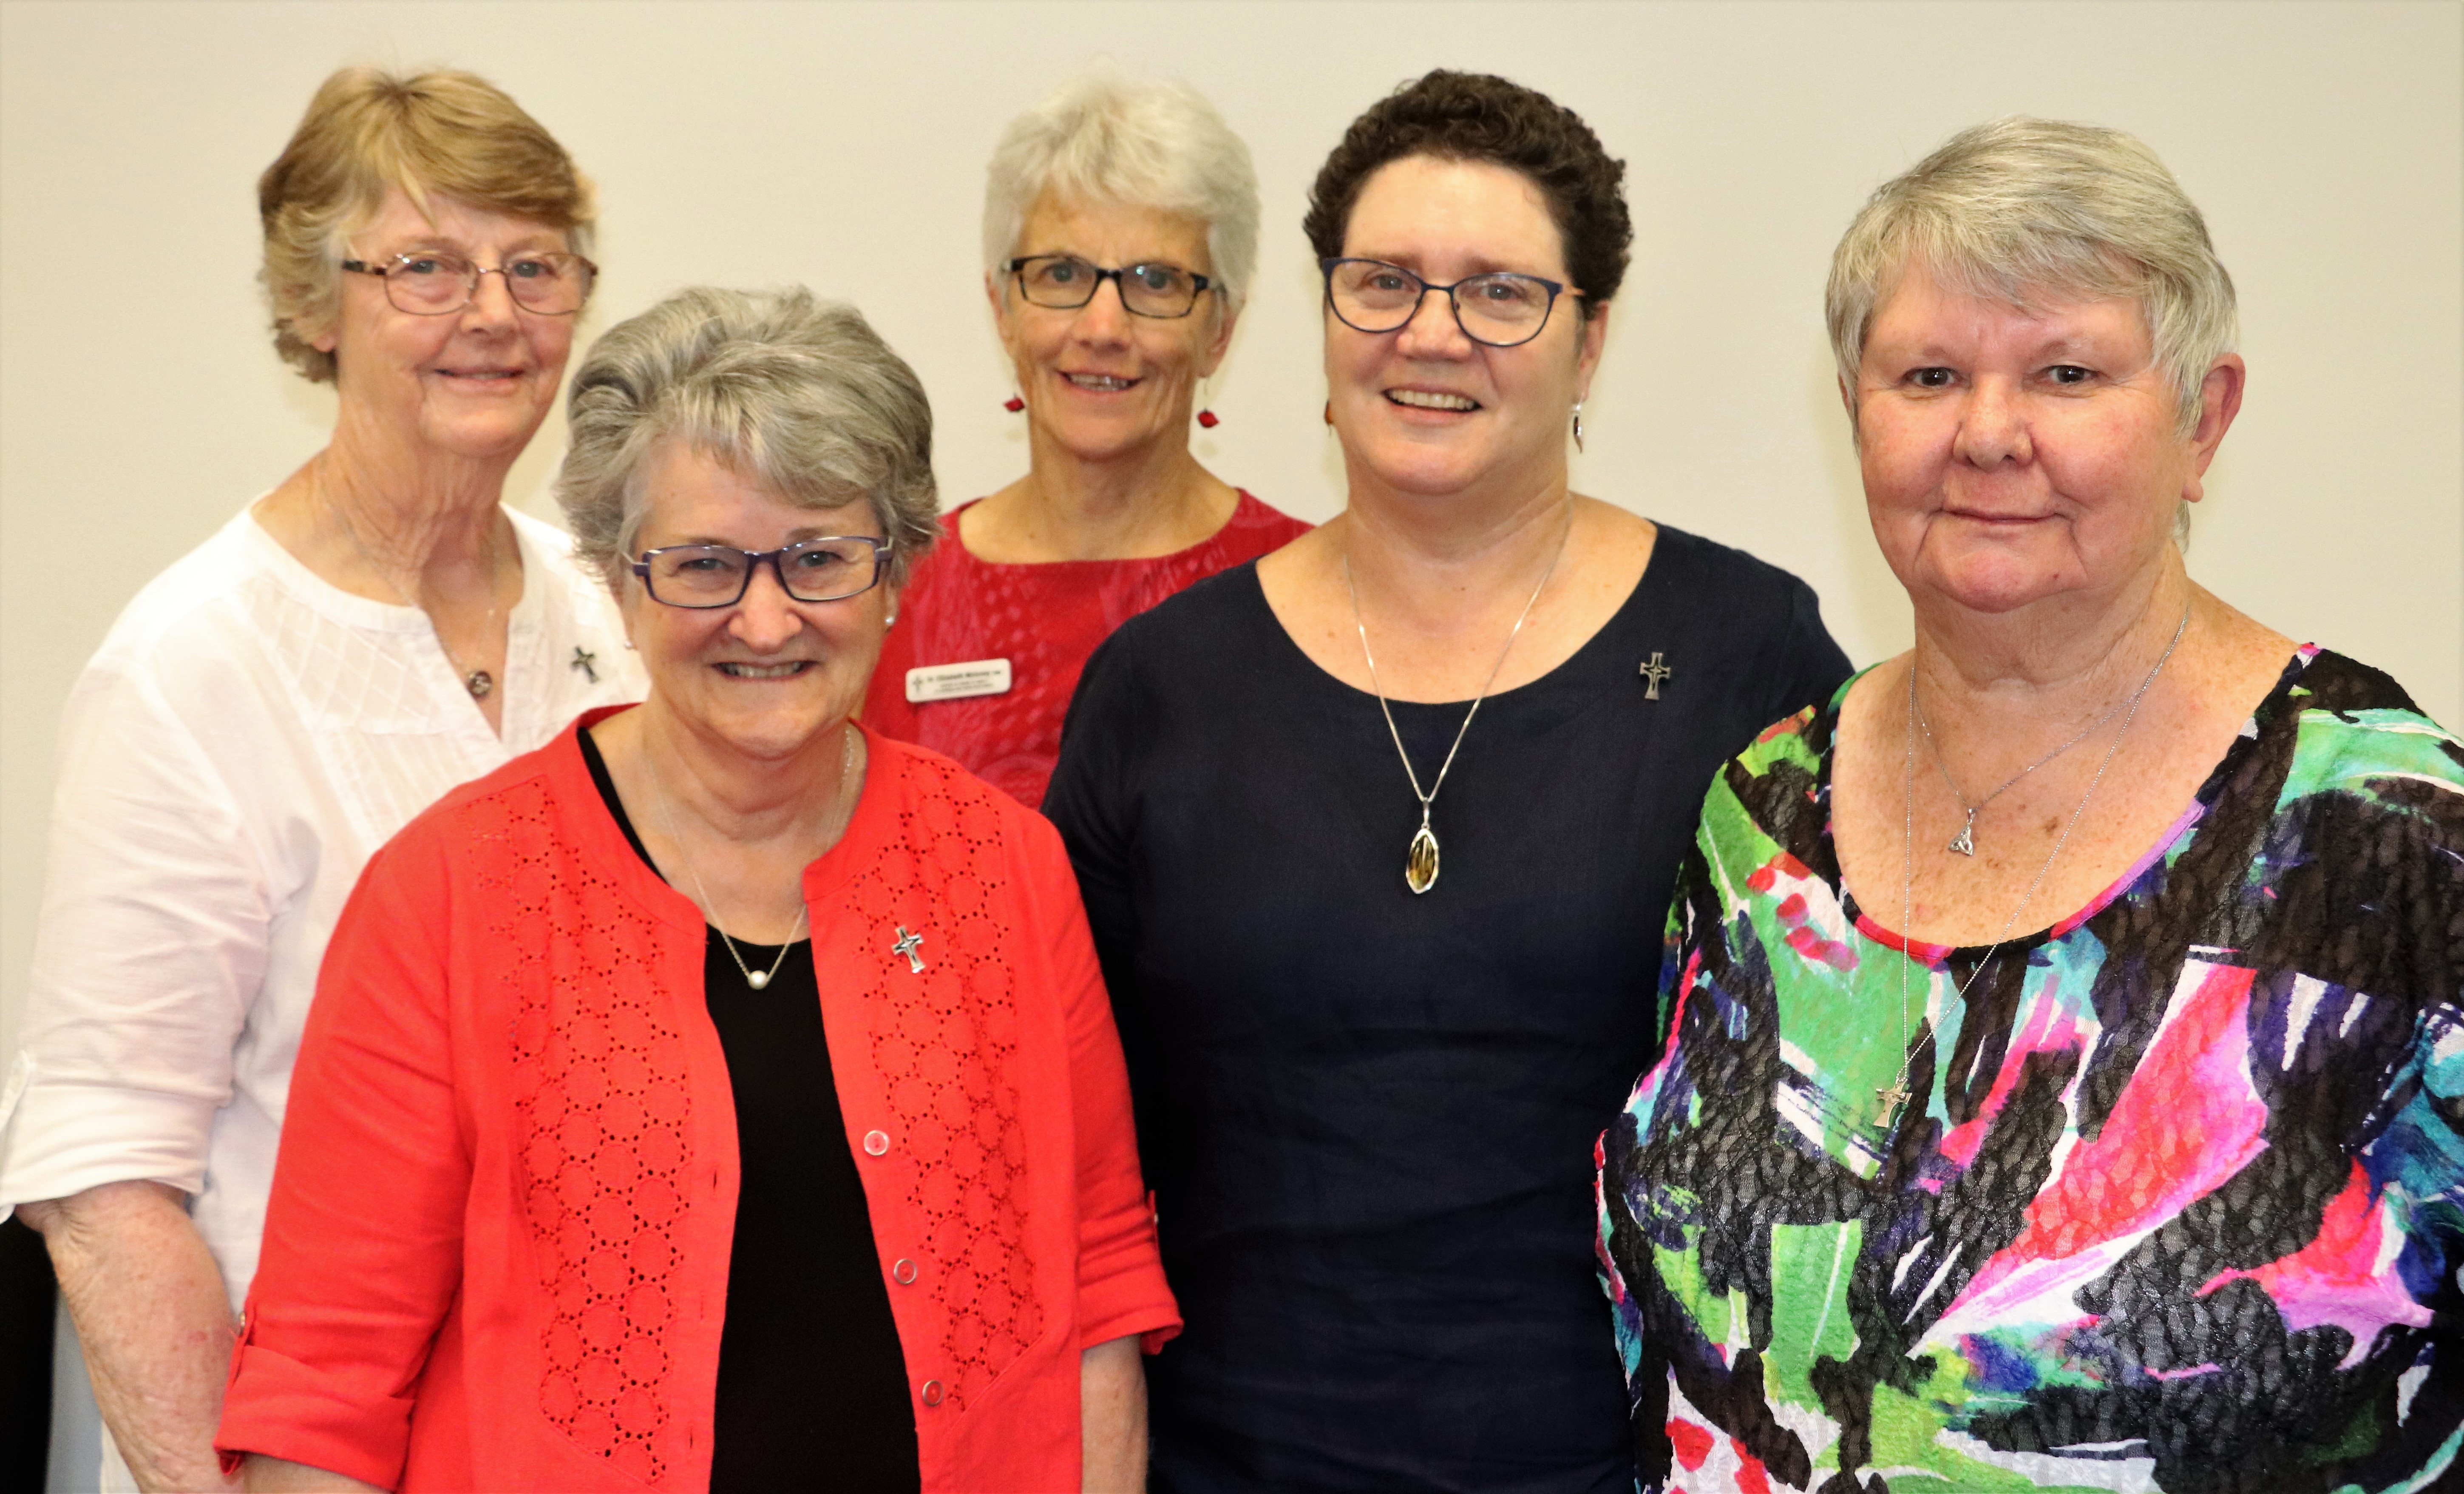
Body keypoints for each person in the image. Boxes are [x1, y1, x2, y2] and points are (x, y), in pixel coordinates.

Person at [1597, 118, 2463, 1493]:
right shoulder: (1760, 812)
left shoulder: (2391, 840)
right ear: (1854, 412)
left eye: (2065, 373)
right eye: (1927, 375)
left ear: (2202, 419)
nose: (1987, 434)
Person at [215, 287, 1179, 1493]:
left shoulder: (1005, 869)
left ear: (895, 571)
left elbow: (1095, 1288)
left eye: (819, 558)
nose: (764, 621)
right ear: (620, 583)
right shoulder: (449, 895)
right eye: (705, 565)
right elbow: (325, 1376)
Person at [1044, 71, 1852, 1492]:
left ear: (1588, 340)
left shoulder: (1744, 657)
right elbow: (1070, 1146)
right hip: (1228, 1459)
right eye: (1382, 283)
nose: (1430, 332)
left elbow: (1846, 1109)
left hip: (1624, 1461)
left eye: (1497, 293)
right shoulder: (1161, 687)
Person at [0, 68, 638, 1491]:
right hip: (302, 1450)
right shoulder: (192, 666)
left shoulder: (615, 608)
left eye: (534, 265)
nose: (492, 313)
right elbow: (105, 1184)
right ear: (312, 308)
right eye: (426, 266)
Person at [862, 70, 1309, 808]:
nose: (1103, 328)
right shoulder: (891, 594)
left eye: (1155, 281)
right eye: (1062, 273)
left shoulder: (1312, 588)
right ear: (1003, 310)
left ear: (1220, 330)